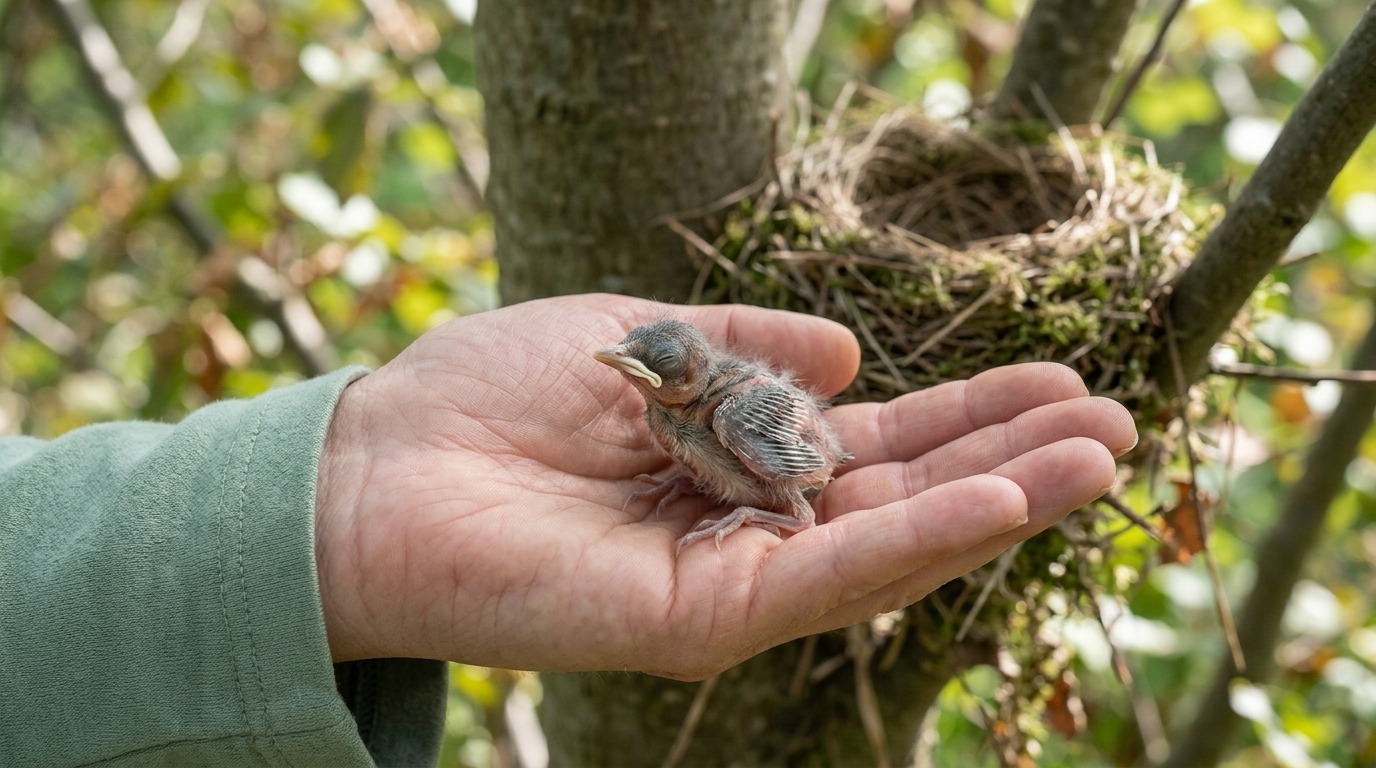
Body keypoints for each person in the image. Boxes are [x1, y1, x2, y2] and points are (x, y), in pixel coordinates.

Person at [1, 293, 1137, 767]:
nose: (636, 385)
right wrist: (338, 490)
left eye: (654, 375)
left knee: (760, 481)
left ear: (686, 379)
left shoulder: (734, 410)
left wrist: (753, 504)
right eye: (640, 374)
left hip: (781, 474)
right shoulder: (667, 415)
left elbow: (806, 478)